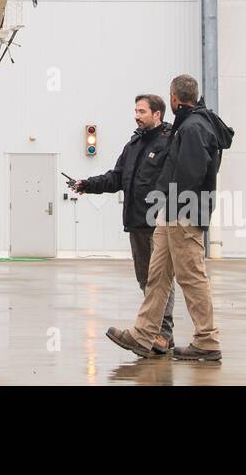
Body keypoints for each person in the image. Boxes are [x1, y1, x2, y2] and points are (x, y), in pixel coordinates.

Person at [107, 74, 234, 362]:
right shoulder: (189, 124)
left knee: (191, 277)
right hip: (171, 213)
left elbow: (191, 172)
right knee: (157, 276)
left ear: (174, 98)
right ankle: (144, 334)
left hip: (183, 214)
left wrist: (174, 206)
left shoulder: (193, 127)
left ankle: (207, 339)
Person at [71, 94, 176, 355]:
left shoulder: (169, 142)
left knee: (160, 280)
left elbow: (175, 181)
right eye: (136, 111)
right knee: (145, 279)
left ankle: (163, 334)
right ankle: (154, 331)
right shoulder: (134, 144)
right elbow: (117, 177)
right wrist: (87, 184)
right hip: (136, 222)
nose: (136, 115)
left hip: (158, 222)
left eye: (142, 111)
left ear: (157, 114)